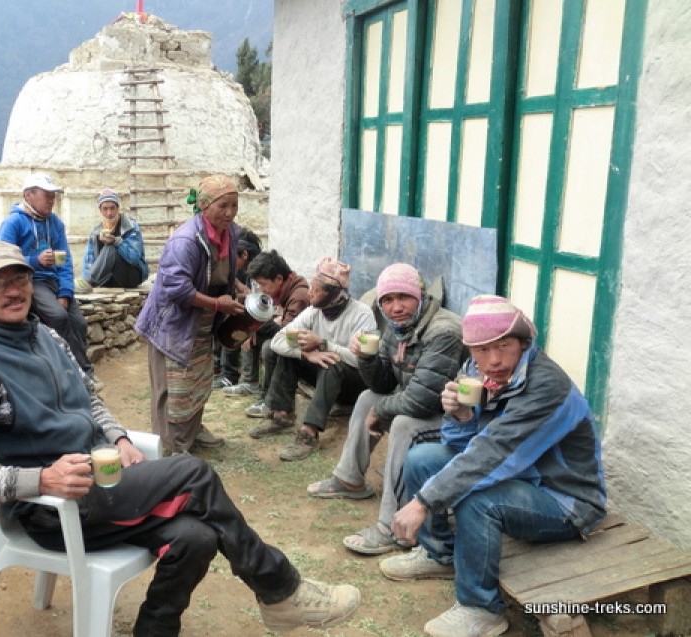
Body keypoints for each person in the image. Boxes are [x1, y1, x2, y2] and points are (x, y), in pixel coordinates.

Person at [0, 240, 362, 636]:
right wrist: (41, 480)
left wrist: (118, 439)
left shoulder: (47, 338)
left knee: (198, 537)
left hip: (102, 491)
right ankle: (281, 588)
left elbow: (90, 401)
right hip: (54, 511)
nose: (12, 290)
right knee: (192, 472)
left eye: (19, 278)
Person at [380, 295, 606, 637]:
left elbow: (492, 452)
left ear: (524, 343)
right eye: (482, 350)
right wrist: (459, 415)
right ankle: (438, 554)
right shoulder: (474, 372)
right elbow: (460, 445)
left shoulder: (546, 386)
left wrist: (423, 502)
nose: (494, 360)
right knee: (422, 458)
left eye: (505, 346)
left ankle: (481, 609)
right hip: (515, 476)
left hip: (564, 499)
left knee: (480, 498)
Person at [303, 264, 466, 556]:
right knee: (367, 396)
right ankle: (349, 479)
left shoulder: (444, 331)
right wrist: (365, 358)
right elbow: (383, 383)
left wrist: (382, 410)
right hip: (427, 407)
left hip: (460, 421)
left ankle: (394, 527)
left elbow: (422, 400)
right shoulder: (398, 328)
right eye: (387, 300)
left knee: (403, 423)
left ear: (421, 297)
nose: (396, 307)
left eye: (404, 297)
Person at [134, 175, 247, 455]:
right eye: (223, 206)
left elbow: (223, 269)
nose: (230, 213)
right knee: (170, 389)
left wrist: (238, 286)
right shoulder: (185, 241)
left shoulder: (229, 232)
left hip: (202, 320)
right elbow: (177, 289)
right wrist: (219, 305)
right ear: (205, 206)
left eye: (234, 205)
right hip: (173, 323)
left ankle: (193, 431)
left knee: (198, 380)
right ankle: (170, 447)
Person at [253, 257, 376, 461]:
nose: (310, 293)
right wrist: (306, 353)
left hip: (356, 384)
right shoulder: (312, 312)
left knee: (331, 363)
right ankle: (281, 416)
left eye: (316, 289)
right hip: (326, 378)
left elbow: (366, 360)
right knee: (289, 353)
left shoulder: (363, 315)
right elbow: (277, 341)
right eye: (311, 287)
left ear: (334, 293)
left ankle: (309, 433)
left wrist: (324, 344)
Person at [0, 173, 102, 390]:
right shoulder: (14, 222)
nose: (51, 200)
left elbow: (64, 260)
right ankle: (69, 372)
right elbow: (3, 258)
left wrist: (65, 291)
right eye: (47, 195)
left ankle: (83, 371)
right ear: (29, 195)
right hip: (29, 281)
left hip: (54, 282)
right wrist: (34, 261)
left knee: (79, 323)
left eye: (53, 196)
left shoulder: (55, 223)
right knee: (57, 316)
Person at [224, 249, 310, 418]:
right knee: (253, 333)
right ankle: (254, 386)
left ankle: (269, 400)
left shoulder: (298, 296)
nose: (261, 290)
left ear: (279, 278)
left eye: (263, 284)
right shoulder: (288, 288)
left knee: (269, 348)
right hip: (292, 340)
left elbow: (289, 335)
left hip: (304, 351)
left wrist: (256, 326)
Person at [213, 227, 263, 389]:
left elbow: (258, 301)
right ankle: (219, 368)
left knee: (235, 324)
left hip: (262, 318)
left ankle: (233, 375)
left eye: (233, 256)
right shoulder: (240, 269)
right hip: (251, 313)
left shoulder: (259, 270)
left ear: (245, 255)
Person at [81, 187, 149, 288]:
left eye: (112, 208)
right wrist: (85, 275)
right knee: (106, 248)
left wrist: (116, 241)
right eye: (105, 209)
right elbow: (89, 260)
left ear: (118, 208)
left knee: (110, 247)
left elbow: (134, 258)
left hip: (130, 275)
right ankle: (89, 280)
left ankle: (89, 282)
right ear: (100, 210)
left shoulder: (131, 227)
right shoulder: (96, 231)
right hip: (108, 277)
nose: (109, 213)